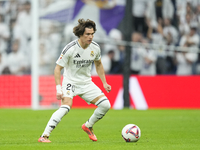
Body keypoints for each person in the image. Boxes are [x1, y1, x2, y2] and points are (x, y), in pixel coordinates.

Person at [38, 19, 111, 143]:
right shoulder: (70, 49)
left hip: (87, 83)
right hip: (70, 82)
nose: (90, 37)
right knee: (65, 107)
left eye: (92, 34)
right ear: (81, 34)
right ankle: (44, 136)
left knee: (105, 105)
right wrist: (58, 88)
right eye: (87, 34)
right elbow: (57, 68)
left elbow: (98, 64)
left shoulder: (95, 48)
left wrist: (104, 82)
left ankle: (88, 126)